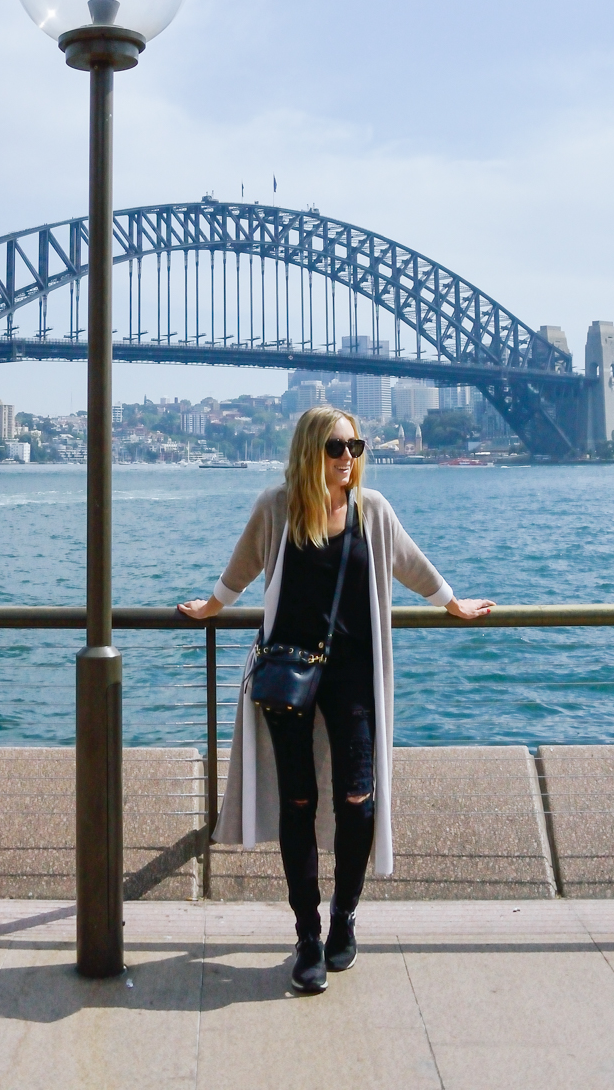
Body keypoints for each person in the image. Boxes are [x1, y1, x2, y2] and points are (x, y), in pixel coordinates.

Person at [179, 404, 493, 995]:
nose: (348, 458)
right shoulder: (276, 507)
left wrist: (450, 600)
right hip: (287, 675)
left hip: (352, 675)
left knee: (357, 794)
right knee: (298, 800)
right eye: (336, 448)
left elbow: (409, 562)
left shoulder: (371, 511)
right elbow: (243, 567)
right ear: (310, 452)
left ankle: (345, 916)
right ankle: (306, 935)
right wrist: (210, 607)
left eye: (356, 447)